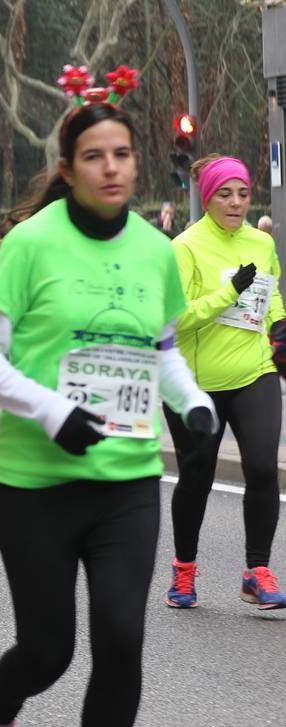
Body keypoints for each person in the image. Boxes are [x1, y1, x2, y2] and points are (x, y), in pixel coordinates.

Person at [0, 93, 216, 727]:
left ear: (137, 164)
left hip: (127, 479)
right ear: (68, 170)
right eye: (95, 156)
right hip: (37, 483)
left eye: (123, 155)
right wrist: (49, 411)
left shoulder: (152, 249)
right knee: (48, 652)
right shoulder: (32, 244)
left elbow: (163, 348)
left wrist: (194, 403)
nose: (111, 168)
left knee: (123, 638)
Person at [163, 155, 286, 611]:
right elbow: (174, 320)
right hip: (199, 384)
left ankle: (257, 571)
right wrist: (227, 292)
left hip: (254, 372)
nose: (235, 203)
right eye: (224, 194)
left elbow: (270, 295)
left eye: (243, 194)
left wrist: (280, 327)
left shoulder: (261, 241)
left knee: (260, 467)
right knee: (197, 478)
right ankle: (184, 569)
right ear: (206, 197)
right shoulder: (185, 247)